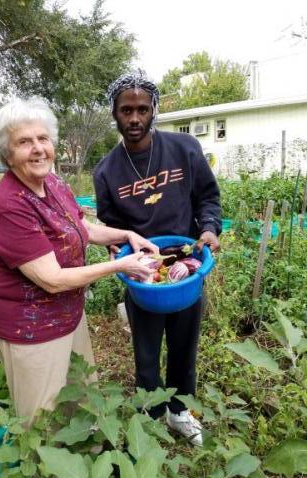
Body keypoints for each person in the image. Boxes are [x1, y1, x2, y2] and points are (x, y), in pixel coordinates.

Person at [0, 97, 158, 427]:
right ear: (7, 154)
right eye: (24, 142)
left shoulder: (52, 182)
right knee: (44, 418)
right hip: (29, 327)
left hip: (67, 311)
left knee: (80, 397)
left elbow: (82, 228)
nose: (37, 149)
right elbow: (52, 279)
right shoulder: (9, 205)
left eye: (42, 139)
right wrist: (121, 265)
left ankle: (85, 459)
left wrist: (126, 235)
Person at [93, 72, 221, 446]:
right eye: (126, 110)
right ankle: (150, 416)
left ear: (154, 111)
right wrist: (117, 251)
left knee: (184, 347)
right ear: (115, 114)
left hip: (186, 267)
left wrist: (210, 229)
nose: (135, 118)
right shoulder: (106, 171)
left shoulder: (184, 149)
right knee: (146, 353)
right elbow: (113, 227)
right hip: (143, 272)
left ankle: (180, 413)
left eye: (142, 109)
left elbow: (208, 199)